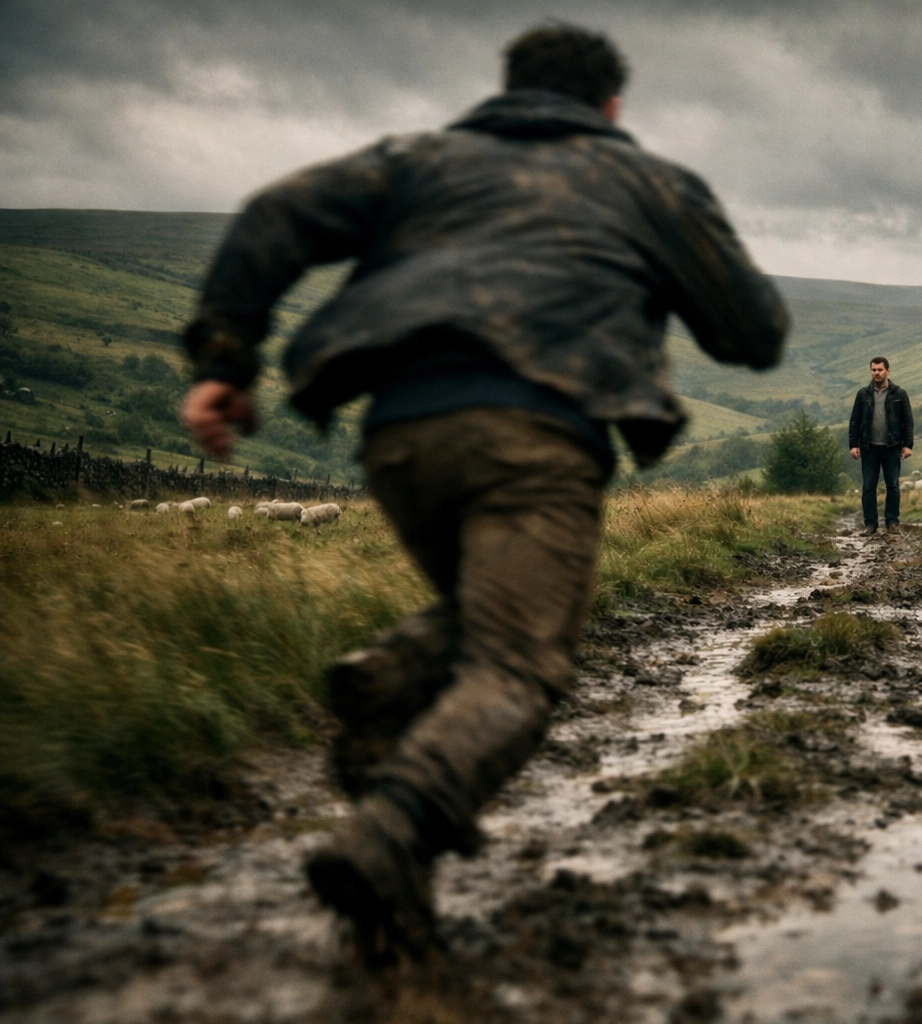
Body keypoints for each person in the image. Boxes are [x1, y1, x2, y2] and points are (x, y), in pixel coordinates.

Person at [178, 23, 787, 968]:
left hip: (398, 436)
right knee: (521, 663)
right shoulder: (649, 183)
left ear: (508, 89)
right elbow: (753, 331)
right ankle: (389, 832)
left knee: (487, 621)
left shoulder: (418, 159)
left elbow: (272, 214)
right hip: (533, 436)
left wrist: (225, 361)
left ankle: (387, 688)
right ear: (612, 106)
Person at [847, 357, 914, 536]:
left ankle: (892, 522)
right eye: (874, 370)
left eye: (880, 370)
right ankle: (871, 525)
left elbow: (908, 422)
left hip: (892, 447)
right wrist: (853, 444)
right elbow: (855, 421)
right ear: (870, 371)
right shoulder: (863, 394)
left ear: (888, 371)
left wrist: (908, 445)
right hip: (869, 448)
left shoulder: (899, 393)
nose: (877, 373)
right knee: (869, 487)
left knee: (892, 486)